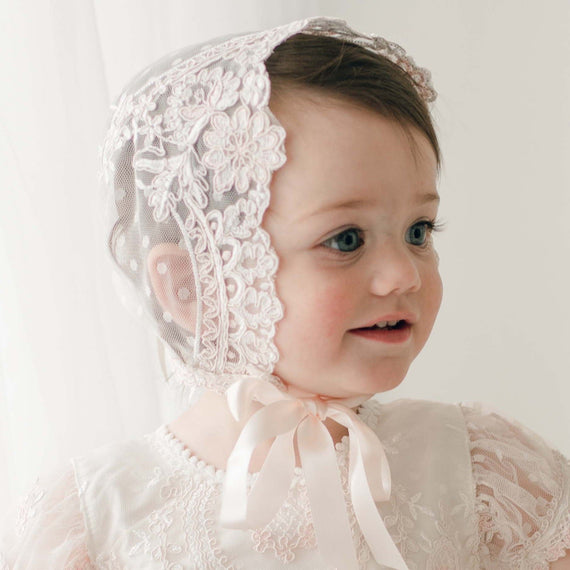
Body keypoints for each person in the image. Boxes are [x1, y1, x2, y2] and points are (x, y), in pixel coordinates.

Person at [1, 16, 569, 569]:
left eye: (418, 230)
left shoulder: (482, 473)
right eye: (346, 239)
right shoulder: (95, 526)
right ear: (191, 285)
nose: (403, 273)